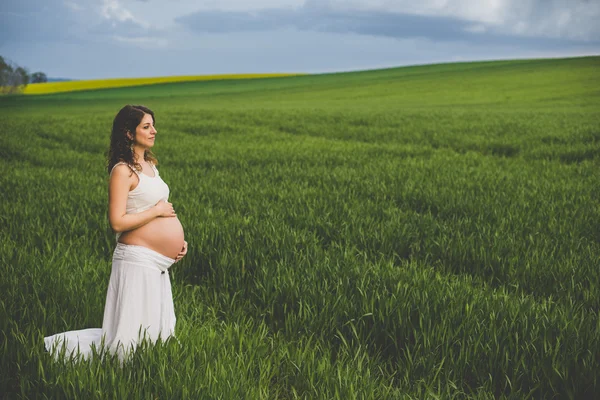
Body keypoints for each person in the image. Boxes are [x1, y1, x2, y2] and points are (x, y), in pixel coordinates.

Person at [43, 104, 188, 364]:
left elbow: (159, 210)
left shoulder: (150, 165)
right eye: (146, 126)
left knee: (153, 332)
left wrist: (179, 242)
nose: (154, 130)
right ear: (129, 133)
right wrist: (156, 212)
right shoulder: (123, 170)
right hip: (136, 259)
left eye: (153, 125)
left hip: (156, 262)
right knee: (127, 341)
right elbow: (117, 222)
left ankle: (149, 366)